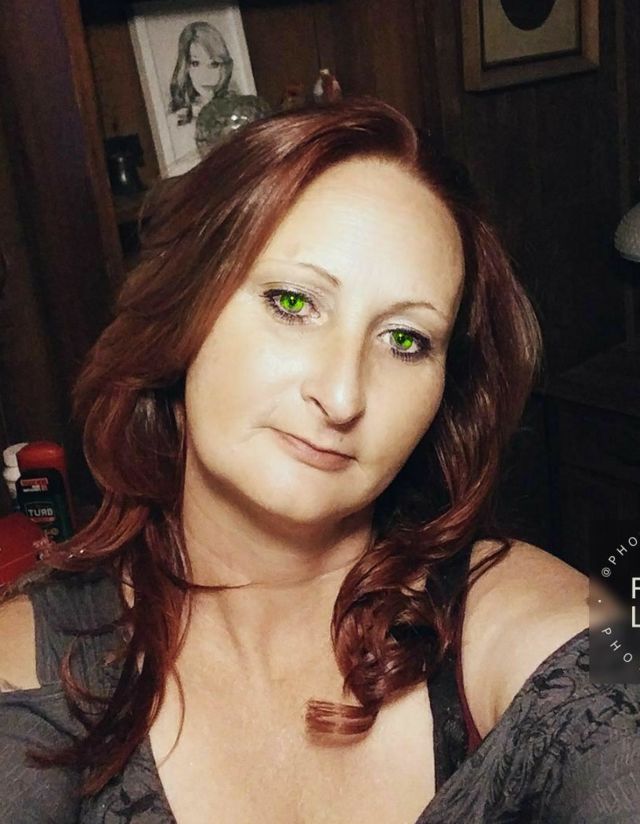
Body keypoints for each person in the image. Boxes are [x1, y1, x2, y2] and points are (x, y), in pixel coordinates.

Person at [0, 98, 638, 822]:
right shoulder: (29, 670)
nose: (341, 396)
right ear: (185, 309)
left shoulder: (515, 616)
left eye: (404, 340)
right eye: (293, 302)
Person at [166, 21, 234, 175]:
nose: (205, 76)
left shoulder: (236, 110)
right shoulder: (178, 120)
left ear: (224, 66)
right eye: (196, 63)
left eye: (214, 64)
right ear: (186, 67)